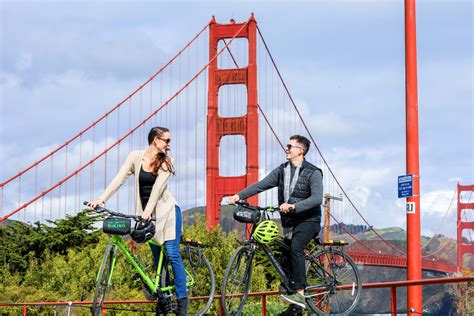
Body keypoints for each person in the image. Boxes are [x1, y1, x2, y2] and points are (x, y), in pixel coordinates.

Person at [88, 126, 188, 315]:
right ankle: (163, 302)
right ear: (155, 140)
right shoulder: (135, 157)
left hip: (167, 214)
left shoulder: (167, 162)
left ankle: (182, 302)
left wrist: (148, 211)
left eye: (169, 141)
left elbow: (158, 189)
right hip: (147, 217)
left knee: (172, 253)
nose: (169, 144)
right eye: (166, 140)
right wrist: (102, 199)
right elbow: (119, 178)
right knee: (158, 258)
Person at [227, 135, 323, 312]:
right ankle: (294, 305)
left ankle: (300, 294)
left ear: (300, 151)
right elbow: (261, 185)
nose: (286, 149)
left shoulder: (313, 172)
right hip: (290, 221)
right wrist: (239, 195)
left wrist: (294, 206)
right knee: (285, 256)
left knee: (295, 248)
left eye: (290, 146)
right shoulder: (281, 170)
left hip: (309, 220)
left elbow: (317, 198)